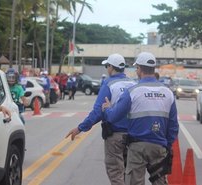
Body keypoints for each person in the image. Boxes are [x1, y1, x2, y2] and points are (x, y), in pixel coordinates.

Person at [102, 52, 179, 185]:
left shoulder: (132, 92)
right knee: (159, 181)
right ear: (153, 69)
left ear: (139, 69)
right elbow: (173, 126)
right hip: (159, 145)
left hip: (137, 147)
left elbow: (113, 116)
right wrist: (166, 144)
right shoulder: (168, 93)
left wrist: (107, 108)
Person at [66, 53, 136, 185]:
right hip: (134, 135)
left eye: (107, 66)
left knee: (116, 172)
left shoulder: (109, 84)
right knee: (130, 172)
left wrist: (80, 128)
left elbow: (98, 112)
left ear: (111, 67)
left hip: (115, 135)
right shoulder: (133, 84)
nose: (107, 69)